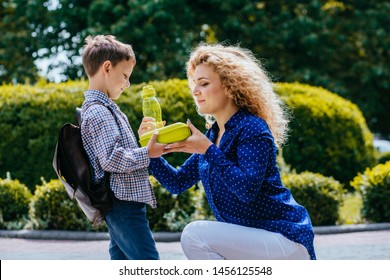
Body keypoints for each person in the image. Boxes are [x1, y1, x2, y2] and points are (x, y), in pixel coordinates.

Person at [139, 43, 316, 260]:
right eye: (194, 84)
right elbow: (177, 182)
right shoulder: (213, 136)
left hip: (285, 239)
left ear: (230, 86)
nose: (195, 91)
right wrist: (150, 153)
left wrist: (207, 150)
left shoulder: (251, 128)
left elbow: (247, 190)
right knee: (199, 238)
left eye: (203, 83)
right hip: (258, 243)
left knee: (194, 235)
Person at [80, 35, 166, 260]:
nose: (127, 84)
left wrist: (142, 141)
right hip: (122, 202)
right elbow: (110, 158)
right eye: (125, 76)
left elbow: (117, 152)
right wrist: (148, 152)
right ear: (107, 67)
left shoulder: (105, 108)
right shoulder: (99, 111)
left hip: (123, 201)